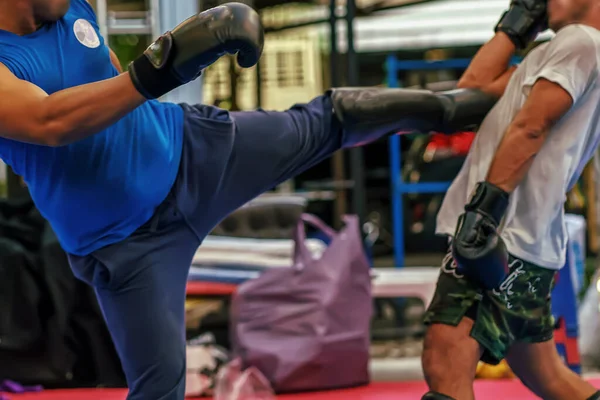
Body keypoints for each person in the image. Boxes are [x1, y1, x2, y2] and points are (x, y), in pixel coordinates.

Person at [0, 1, 498, 399]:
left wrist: (153, 74)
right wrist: (154, 70)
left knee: (322, 122)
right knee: (160, 386)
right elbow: (51, 122)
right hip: (125, 247)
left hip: (191, 152)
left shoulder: (72, 10)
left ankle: (453, 109)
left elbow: (115, 90)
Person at [421, 0, 600, 399]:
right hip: (529, 242)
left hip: (502, 234)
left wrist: (485, 211)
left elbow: (533, 126)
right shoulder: (569, 50)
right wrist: (516, 26)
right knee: (546, 375)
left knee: (445, 361)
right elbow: (470, 91)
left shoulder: (581, 42)